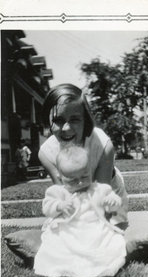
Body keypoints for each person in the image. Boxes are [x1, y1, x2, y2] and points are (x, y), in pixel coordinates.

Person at [38, 83, 128, 227]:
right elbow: (64, 190)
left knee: (106, 231)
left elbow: (101, 194)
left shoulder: (102, 144)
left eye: (74, 120)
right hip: (74, 194)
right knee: (57, 232)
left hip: (107, 196)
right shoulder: (47, 153)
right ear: (47, 121)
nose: (66, 128)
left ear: (85, 120)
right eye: (58, 120)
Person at [34, 146, 127, 277]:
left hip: (95, 229)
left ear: (91, 171)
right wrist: (59, 205)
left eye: (84, 176)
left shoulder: (99, 189)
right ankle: (69, 266)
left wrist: (112, 201)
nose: (80, 182)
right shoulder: (58, 192)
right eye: (72, 180)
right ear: (60, 177)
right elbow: (47, 208)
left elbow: (113, 205)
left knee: (110, 245)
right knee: (58, 249)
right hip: (68, 231)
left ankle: (101, 268)